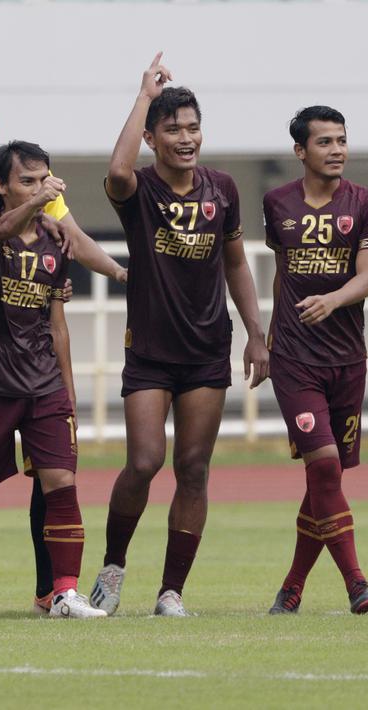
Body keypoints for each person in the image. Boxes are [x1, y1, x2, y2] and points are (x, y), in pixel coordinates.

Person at [0, 80, 126, 615]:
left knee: (56, 481)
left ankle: (58, 590)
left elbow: (69, 263)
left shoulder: (48, 226)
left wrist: (119, 272)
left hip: (38, 374)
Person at [89, 54, 269, 617]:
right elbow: (115, 172)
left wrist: (256, 335)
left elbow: (236, 263)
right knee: (144, 461)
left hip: (207, 349)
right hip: (149, 352)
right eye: (172, 129)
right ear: (152, 138)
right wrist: (143, 94)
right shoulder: (139, 189)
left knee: (193, 467)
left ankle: (171, 592)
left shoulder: (222, 188)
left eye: (193, 127)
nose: (186, 138)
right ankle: (112, 570)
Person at [263, 106, 368, 615]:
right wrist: (264, 340)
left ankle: (292, 586)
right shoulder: (276, 203)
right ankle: (356, 582)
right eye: (324, 142)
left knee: (324, 481)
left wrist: (333, 300)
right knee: (326, 466)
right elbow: (281, 275)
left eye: (341, 140)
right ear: (301, 151)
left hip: (347, 360)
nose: (337, 149)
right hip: (295, 359)